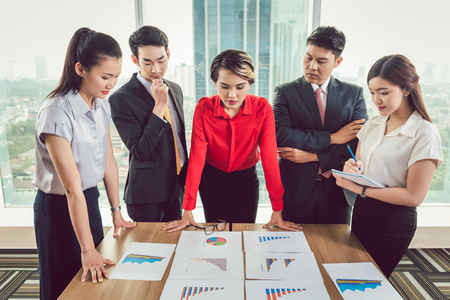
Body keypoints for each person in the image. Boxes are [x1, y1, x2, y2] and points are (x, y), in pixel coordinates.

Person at [33, 27, 135, 300]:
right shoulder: (56, 111)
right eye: (105, 77)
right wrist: (87, 249)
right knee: (62, 286)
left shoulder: (102, 104)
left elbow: (108, 162)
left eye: (115, 77)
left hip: (87, 201)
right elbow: (70, 189)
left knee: (92, 283)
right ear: (80, 69)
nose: (111, 84)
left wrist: (116, 212)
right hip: (57, 208)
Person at [164, 49, 301, 232]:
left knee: (244, 235)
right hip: (211, 181)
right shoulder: (203, 108)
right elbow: (197, 158)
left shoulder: (262, 108)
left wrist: (277, 208)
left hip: (245, 182)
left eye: (240, 86)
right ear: (215, 82)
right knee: (216, 238)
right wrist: (188, 208)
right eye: (225, 86)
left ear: (250, 83)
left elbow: (269, 160)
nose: (232, 95)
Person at [334, 54, 443, 278]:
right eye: (372, 93)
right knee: (352, 276)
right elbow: (360, 165)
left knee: (371, 282)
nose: (376, 100)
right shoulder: (373, 123)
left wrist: (360, 189)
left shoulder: (424, 133)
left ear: (406, 89)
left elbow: (414, 196)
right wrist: (351, 168)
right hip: (363, 212)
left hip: (394, 221)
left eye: (384, 92)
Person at [273, 26, 368, 224]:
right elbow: (280, 135)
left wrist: (313, 156)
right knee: (293, 250)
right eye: (308, 58)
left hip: (338, 190)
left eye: (321, 61)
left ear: (337, 62)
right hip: (296, 190)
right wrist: (333, 138)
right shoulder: (285, 92)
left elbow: (356, 144)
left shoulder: (354, 94)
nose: (312, 66)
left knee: (335, 252)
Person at [109, 26, 188, 222]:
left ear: (168, 54)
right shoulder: (121, 99)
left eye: (161, 60)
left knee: (176, 247)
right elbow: (141, 151)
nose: (156, 69)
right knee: (148, 251)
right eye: (147, 62)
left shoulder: (175, 89)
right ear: (135, 60)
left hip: (176, 188)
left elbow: (177, 139)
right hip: (146, 194)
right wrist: (159, 105)